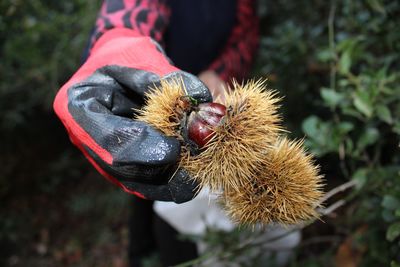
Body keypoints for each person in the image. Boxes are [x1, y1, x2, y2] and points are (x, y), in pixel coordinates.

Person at [53, 0, 259, 266]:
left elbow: (245, 38)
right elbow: (133, 10)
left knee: (179, 222)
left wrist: (220, 73)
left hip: (211, 125)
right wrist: (118, 44)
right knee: (144, 188)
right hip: (151, 106)